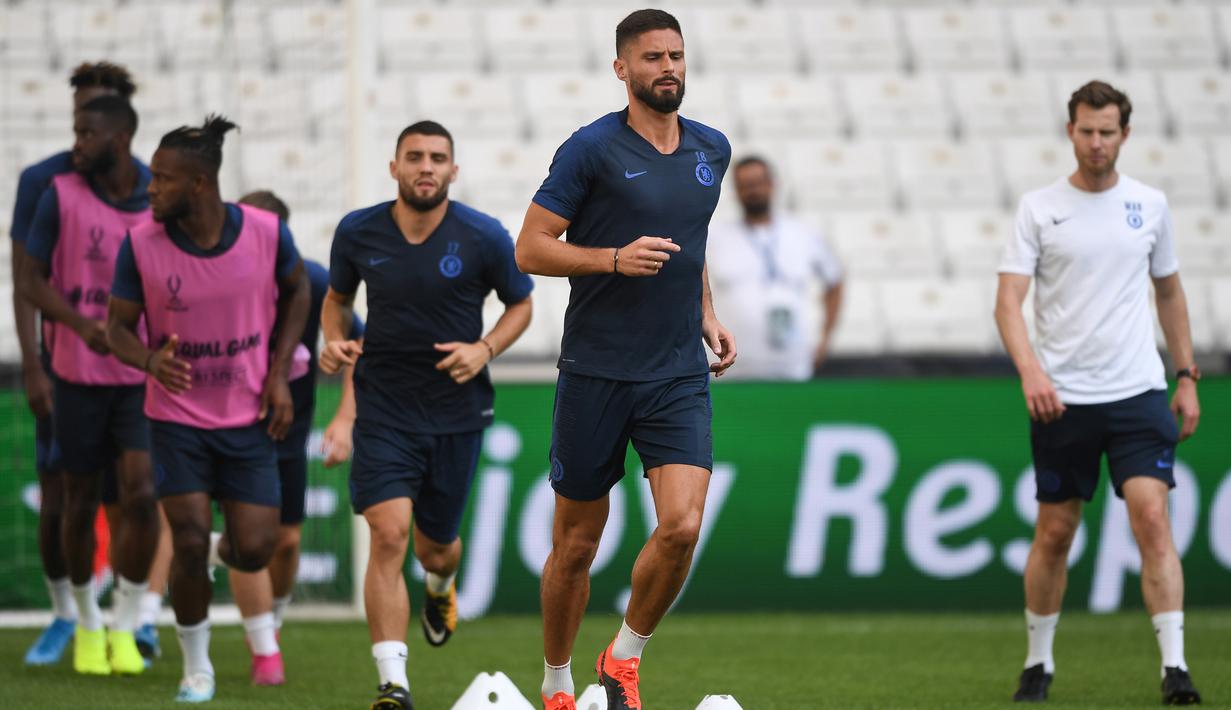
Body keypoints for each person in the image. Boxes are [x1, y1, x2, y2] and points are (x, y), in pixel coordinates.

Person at [514, 9, 736, 710]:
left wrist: (705, 312)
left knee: (682, 527)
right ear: (621, 69)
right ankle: (556, 681)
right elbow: (530, 248)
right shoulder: (590, 149)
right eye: (651, 57)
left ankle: (622, 658)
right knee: (576, 546)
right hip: (596, 371)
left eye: (675, 55)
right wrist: (612, 258)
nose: (667, 67)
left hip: (676, 372)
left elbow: (690, 242)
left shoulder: (712, 148)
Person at [994, 81, 1203, 705]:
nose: (1096, 142)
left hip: (1137, 391)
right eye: (1086, 131)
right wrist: (1031, 372)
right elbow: (1008, 301)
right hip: (1063, 397)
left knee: (1152, 520)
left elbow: (1169, 291)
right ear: (1071, 132)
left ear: (1124, 135)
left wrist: (1186, 375)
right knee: (1056, 531)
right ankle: (1038, 661)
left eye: (1107, 132)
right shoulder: (1039, 208)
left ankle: (1175, 667)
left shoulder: (1149, 205)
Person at [320, 120, 533, 710]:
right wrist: (334, 342)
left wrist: (484, 348)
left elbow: (521, 304)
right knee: (388, 534)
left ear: (453, 171)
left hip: (455, 414)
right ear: (394, 167)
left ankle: (440, 585)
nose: (426, 167)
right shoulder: (357, 231)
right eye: (414, 156)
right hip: (383, 409)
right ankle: (393, 683)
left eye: (437, 158)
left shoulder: (483, 235)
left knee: (436, 549)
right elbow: (336, 302)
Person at [106, 116, 310, 703]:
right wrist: (149, 360)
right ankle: (197, 669)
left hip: (249, 419)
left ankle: (215, 556)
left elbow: (298, 290)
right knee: (189, 541)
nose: (149, 188)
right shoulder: (139, 244)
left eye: (162, 179)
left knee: (255, 548)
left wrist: (277, 374)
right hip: (176, 421)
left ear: (199, 184)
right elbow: (116, 329)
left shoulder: (267, 232)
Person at [8, 61, 153, 667]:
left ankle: (133, 618)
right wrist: (34, 365)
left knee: (138, 494)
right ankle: (67, 615)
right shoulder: (46, 182)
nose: (78, 135)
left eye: (90, 121)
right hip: (66, 368)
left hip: (135, 374)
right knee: (66, 496)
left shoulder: (157, 188)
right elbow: (26, 278)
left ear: (119, 127)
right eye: (76, 119)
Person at [226, 189, 364, 686]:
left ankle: (272, 623)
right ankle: (264, 651)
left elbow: (358, 344)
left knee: (285, 541)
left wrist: (344, 418)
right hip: (228, 428)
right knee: (249, 540)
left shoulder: (313, 281)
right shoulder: (216, 279)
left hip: (287, 429)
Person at [707, 156, 844, 380]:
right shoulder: (716, 236)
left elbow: (834, 280)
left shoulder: (802, 233)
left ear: (772, 184)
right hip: (732, 368)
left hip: (793, 366)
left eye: (758, 182)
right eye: (745, 185)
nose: (753, 190)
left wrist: (826, 339)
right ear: (736, 190)